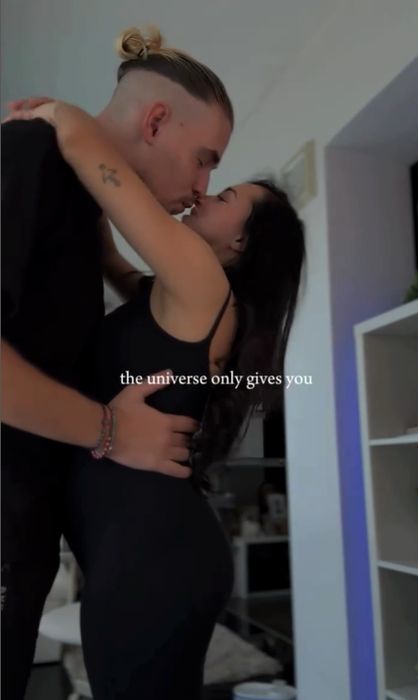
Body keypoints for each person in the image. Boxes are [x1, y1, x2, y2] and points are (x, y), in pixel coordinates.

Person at [7, 90, 306, 698]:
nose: (203, 193)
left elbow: (100, 166)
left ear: (242, 243)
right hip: (146, 552)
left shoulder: (203, 284)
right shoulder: (179, 294)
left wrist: (60, 114)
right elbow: (109, 255)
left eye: (225, 197)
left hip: (153, 559)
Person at [1, 24, 234, 700]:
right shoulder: (32, 153)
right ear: (156, 120)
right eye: (204, 160)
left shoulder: (85, 207)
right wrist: (110, 429)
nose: (203, 186)